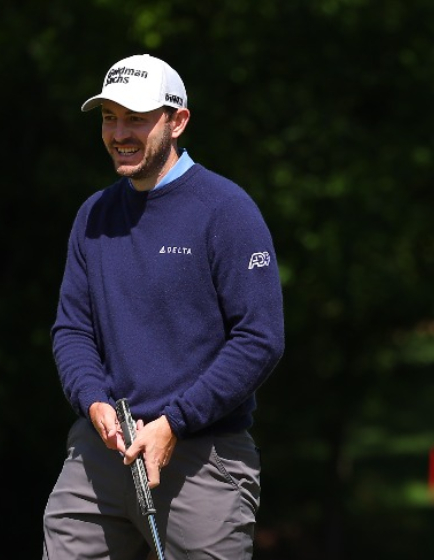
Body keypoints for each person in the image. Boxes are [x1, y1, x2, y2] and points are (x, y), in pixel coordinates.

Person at [42, 54, 285, 559]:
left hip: (203, 457)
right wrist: (93, 401)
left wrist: (174, 422)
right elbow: (72, 330)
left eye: (136, 117)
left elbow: (260, 338)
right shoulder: (94, 215)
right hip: (101, 452)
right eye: (110, 117)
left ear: (177, 121)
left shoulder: (227, 210)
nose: (119, 133)